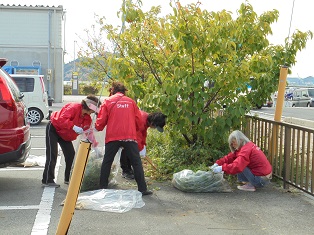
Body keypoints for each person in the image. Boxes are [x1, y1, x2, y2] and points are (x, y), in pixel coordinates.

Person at [95, 81, 152, 195]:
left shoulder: (108, 101)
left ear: (113, 90)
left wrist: (98, 126)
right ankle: (142, 189)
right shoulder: (131, 102)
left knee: (107, 161)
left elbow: (100, 122)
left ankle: (103, 188)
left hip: (113, 136)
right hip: (129, 136)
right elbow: (139, 122)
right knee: (136, 162)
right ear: (123, 91)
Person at [42, 95, 100, 187]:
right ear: (89, 107)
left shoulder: (87, 118)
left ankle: (68, 178)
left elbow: (88, 132)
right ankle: (47, 180)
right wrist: (73, 126)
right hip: (54, 128)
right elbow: (61, 119)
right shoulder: (74, 107)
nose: (93, 113)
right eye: (93, 110)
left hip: (65, 135)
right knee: (52, 154)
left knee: (71, 156)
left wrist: (95, 146)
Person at [120, 111, 167, 180]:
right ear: (152, 123)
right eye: (155, 127)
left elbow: (143, 134)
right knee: (127, 149)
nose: (154, 128)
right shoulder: (141, 121)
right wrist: (140, 148)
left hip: (130, 131)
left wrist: (143, 144)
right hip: (122, 129)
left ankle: (129, 169)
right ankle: (126, 171)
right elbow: (136, 137)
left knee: (131, 150)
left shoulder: (147, 119)